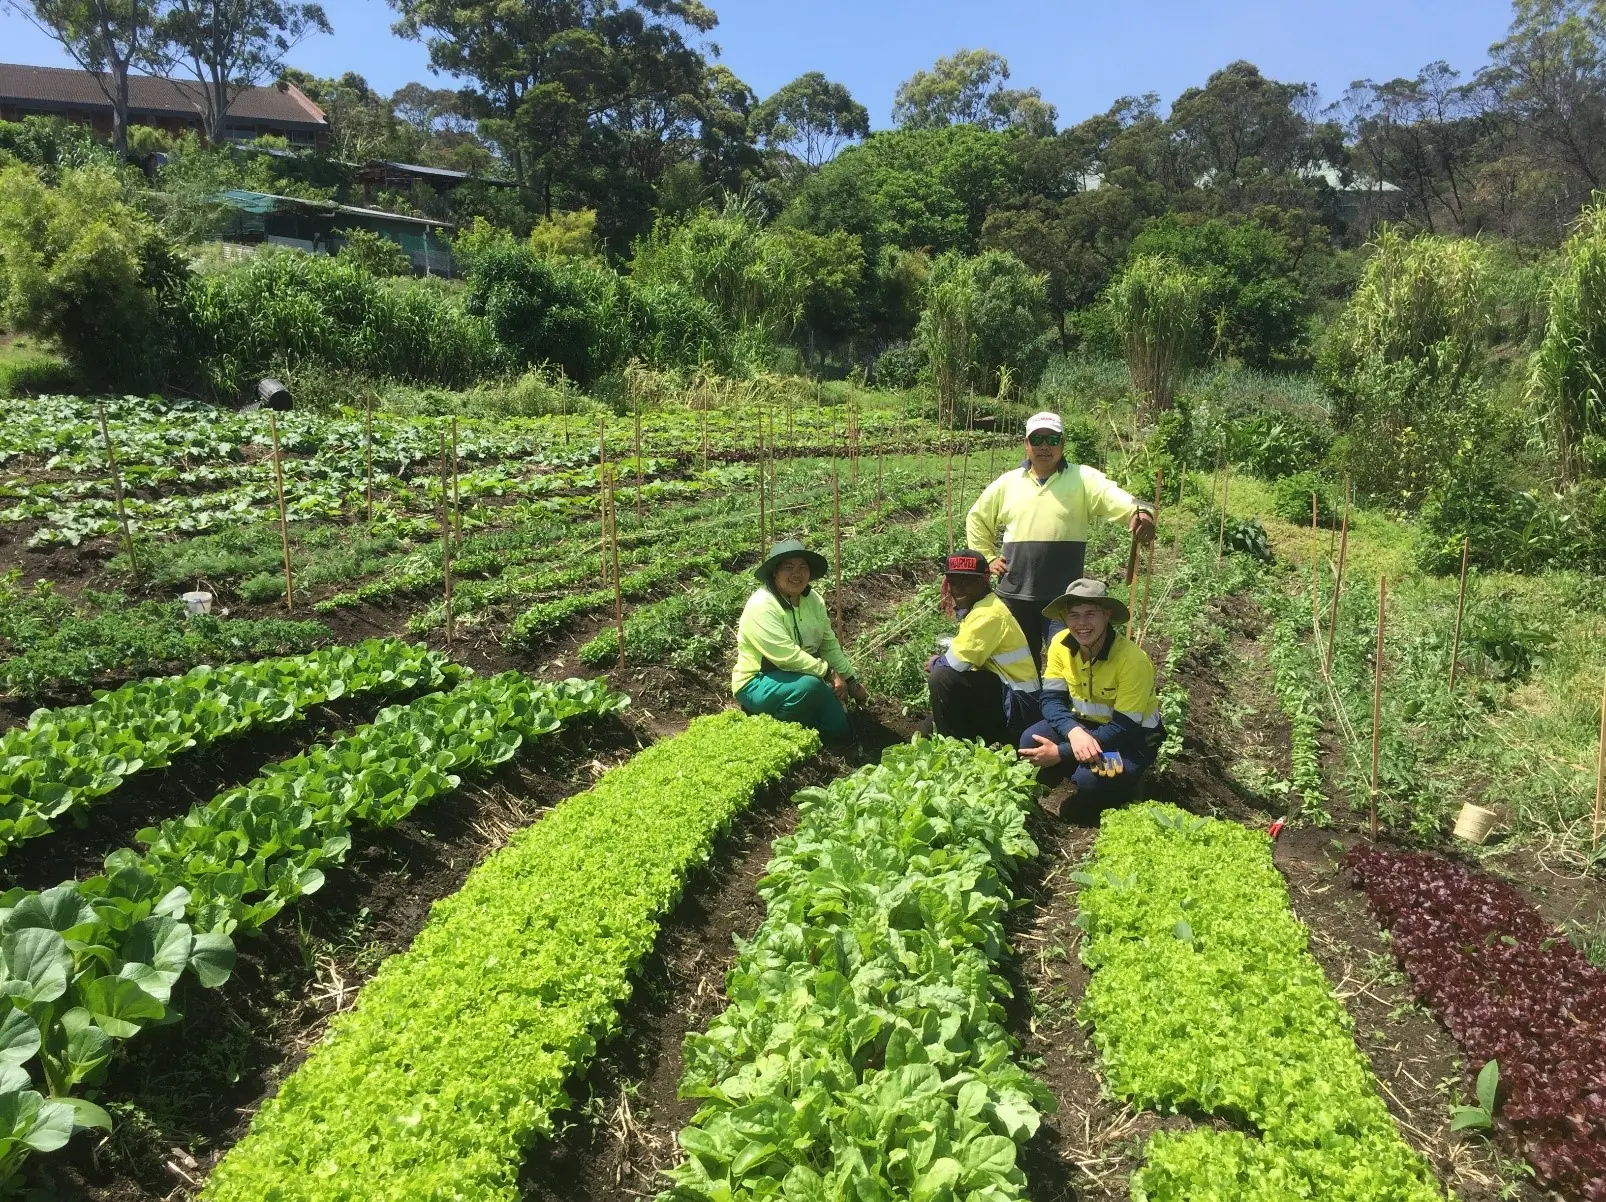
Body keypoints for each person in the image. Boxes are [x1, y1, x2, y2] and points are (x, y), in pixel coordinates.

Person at [966, 412, 1155, 671]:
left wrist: (1140, 512)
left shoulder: (1083, 479)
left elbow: (1114, 497)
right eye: (1037, 439)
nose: (1045, 446)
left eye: (1052, 439)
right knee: (1017, 666)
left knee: (1068, 665)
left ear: (1062, 444)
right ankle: (1024, 711)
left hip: (1064, 600)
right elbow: (977, 518)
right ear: (1026, 444)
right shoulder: (1008, 483)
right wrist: (987, 557)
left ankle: (1060, 711)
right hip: (1015, 595)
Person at [1018, 577, 1164, 810]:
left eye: (1090, 614)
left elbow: (1125, 727)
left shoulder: (1132, 661)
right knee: (1030, 741)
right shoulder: (1059, 644)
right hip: (1084, 726)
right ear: (1064, 618)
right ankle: (1059, 783)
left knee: (1090, 783)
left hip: (1131, 739)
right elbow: (1050, 700)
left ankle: (1129, 784)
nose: (1081, 623)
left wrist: (1060, 752)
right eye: (1074, 615)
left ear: (1107, 615)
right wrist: (1074, 732)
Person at [732, 539, 867, 738]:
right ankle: (776, 730)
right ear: (774, 572)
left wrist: (851, 680)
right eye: (788, 567)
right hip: (758, 681)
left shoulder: (813, 600)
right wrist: (829, 673)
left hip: (804, 674)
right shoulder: (762, 605)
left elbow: (828, 643)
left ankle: (816, 738)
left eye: (803, 567)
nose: (797, 573)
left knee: (839, 728)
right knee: (808, 687)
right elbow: (786, 656)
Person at [924, 549, 1041, 745]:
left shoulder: (988, 613)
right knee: (928, 729)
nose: (959, 589)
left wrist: (935, 661)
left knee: (941, 678)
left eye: (967, 582)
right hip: (1006, 694)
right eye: (954, 582)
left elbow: (953, 666)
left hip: (1019, 707)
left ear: (982, 582)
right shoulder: (981, 606)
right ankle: (960, 742)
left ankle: (955, 750)